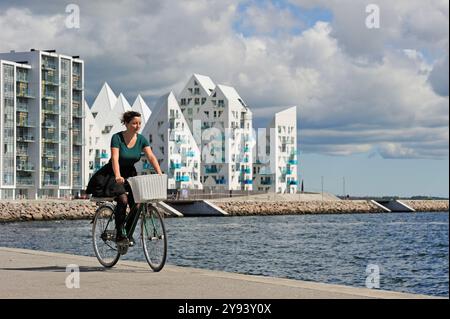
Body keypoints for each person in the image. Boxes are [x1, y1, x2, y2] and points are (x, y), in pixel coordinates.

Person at [86, 111, 162, 244]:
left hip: (130, 173)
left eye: (139, 123)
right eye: (134, 123)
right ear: (126, 124)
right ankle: (120, 233)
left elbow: (151, 156)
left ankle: (128, 232)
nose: (137, 126)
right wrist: (117, 175)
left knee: (137, 204)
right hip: (113, 173)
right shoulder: (117, 138)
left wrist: (159, 173)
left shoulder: (141, 139)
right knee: (123, 199)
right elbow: (115, 158)